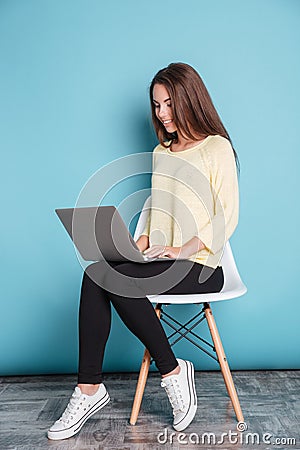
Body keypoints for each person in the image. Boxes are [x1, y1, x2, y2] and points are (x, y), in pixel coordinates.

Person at [47, 62, 239, 440]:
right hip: (162, 261)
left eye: (169, 104)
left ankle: (170, 370)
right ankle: (89, 389)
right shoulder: (161, 152)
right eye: (156, 105)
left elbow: (227, 214)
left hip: (200, 265)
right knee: (96, 272)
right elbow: (156, 211)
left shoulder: (216, 148)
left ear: (190, 101)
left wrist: (186, 247)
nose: (162, 114)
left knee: (115, 281)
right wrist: (135, 247)